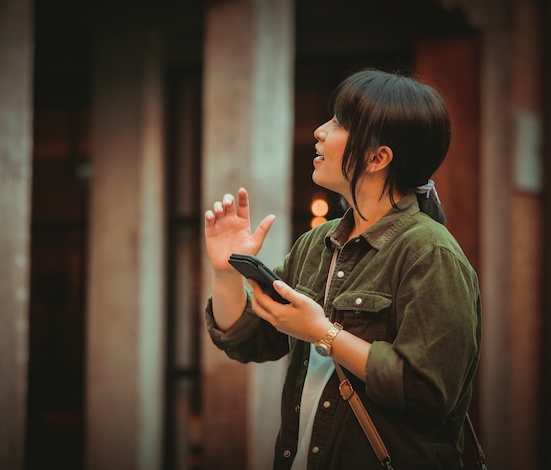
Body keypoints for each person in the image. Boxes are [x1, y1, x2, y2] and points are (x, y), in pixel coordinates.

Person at [203, 68, 482, 469]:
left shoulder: (431, 252)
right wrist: (226, 271)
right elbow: (250, 339)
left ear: (378, 157)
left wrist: (323, 333)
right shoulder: (318, 242)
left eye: (338, 123)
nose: (319, 130)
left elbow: (427, 390)